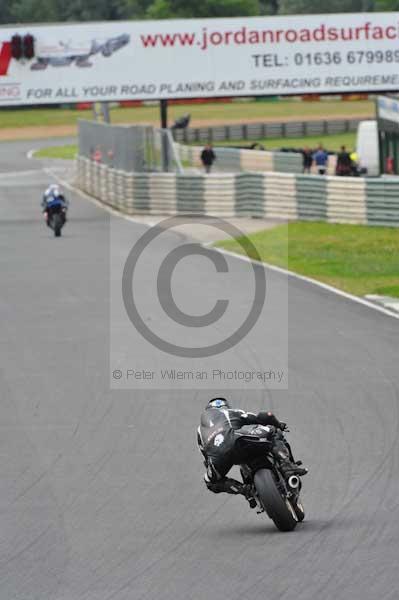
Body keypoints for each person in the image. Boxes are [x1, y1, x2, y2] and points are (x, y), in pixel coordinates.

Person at [197, 398, 307, 507]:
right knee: (273, 431)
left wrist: (213, 466)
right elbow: (265, 416)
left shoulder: (200, 430)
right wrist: (278, 424)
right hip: (237, 439)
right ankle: (287, 466)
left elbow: (204, 454)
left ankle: (246, 490)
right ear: (225, 406)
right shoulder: (229, 412)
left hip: (217, 455)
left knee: (210, 481)